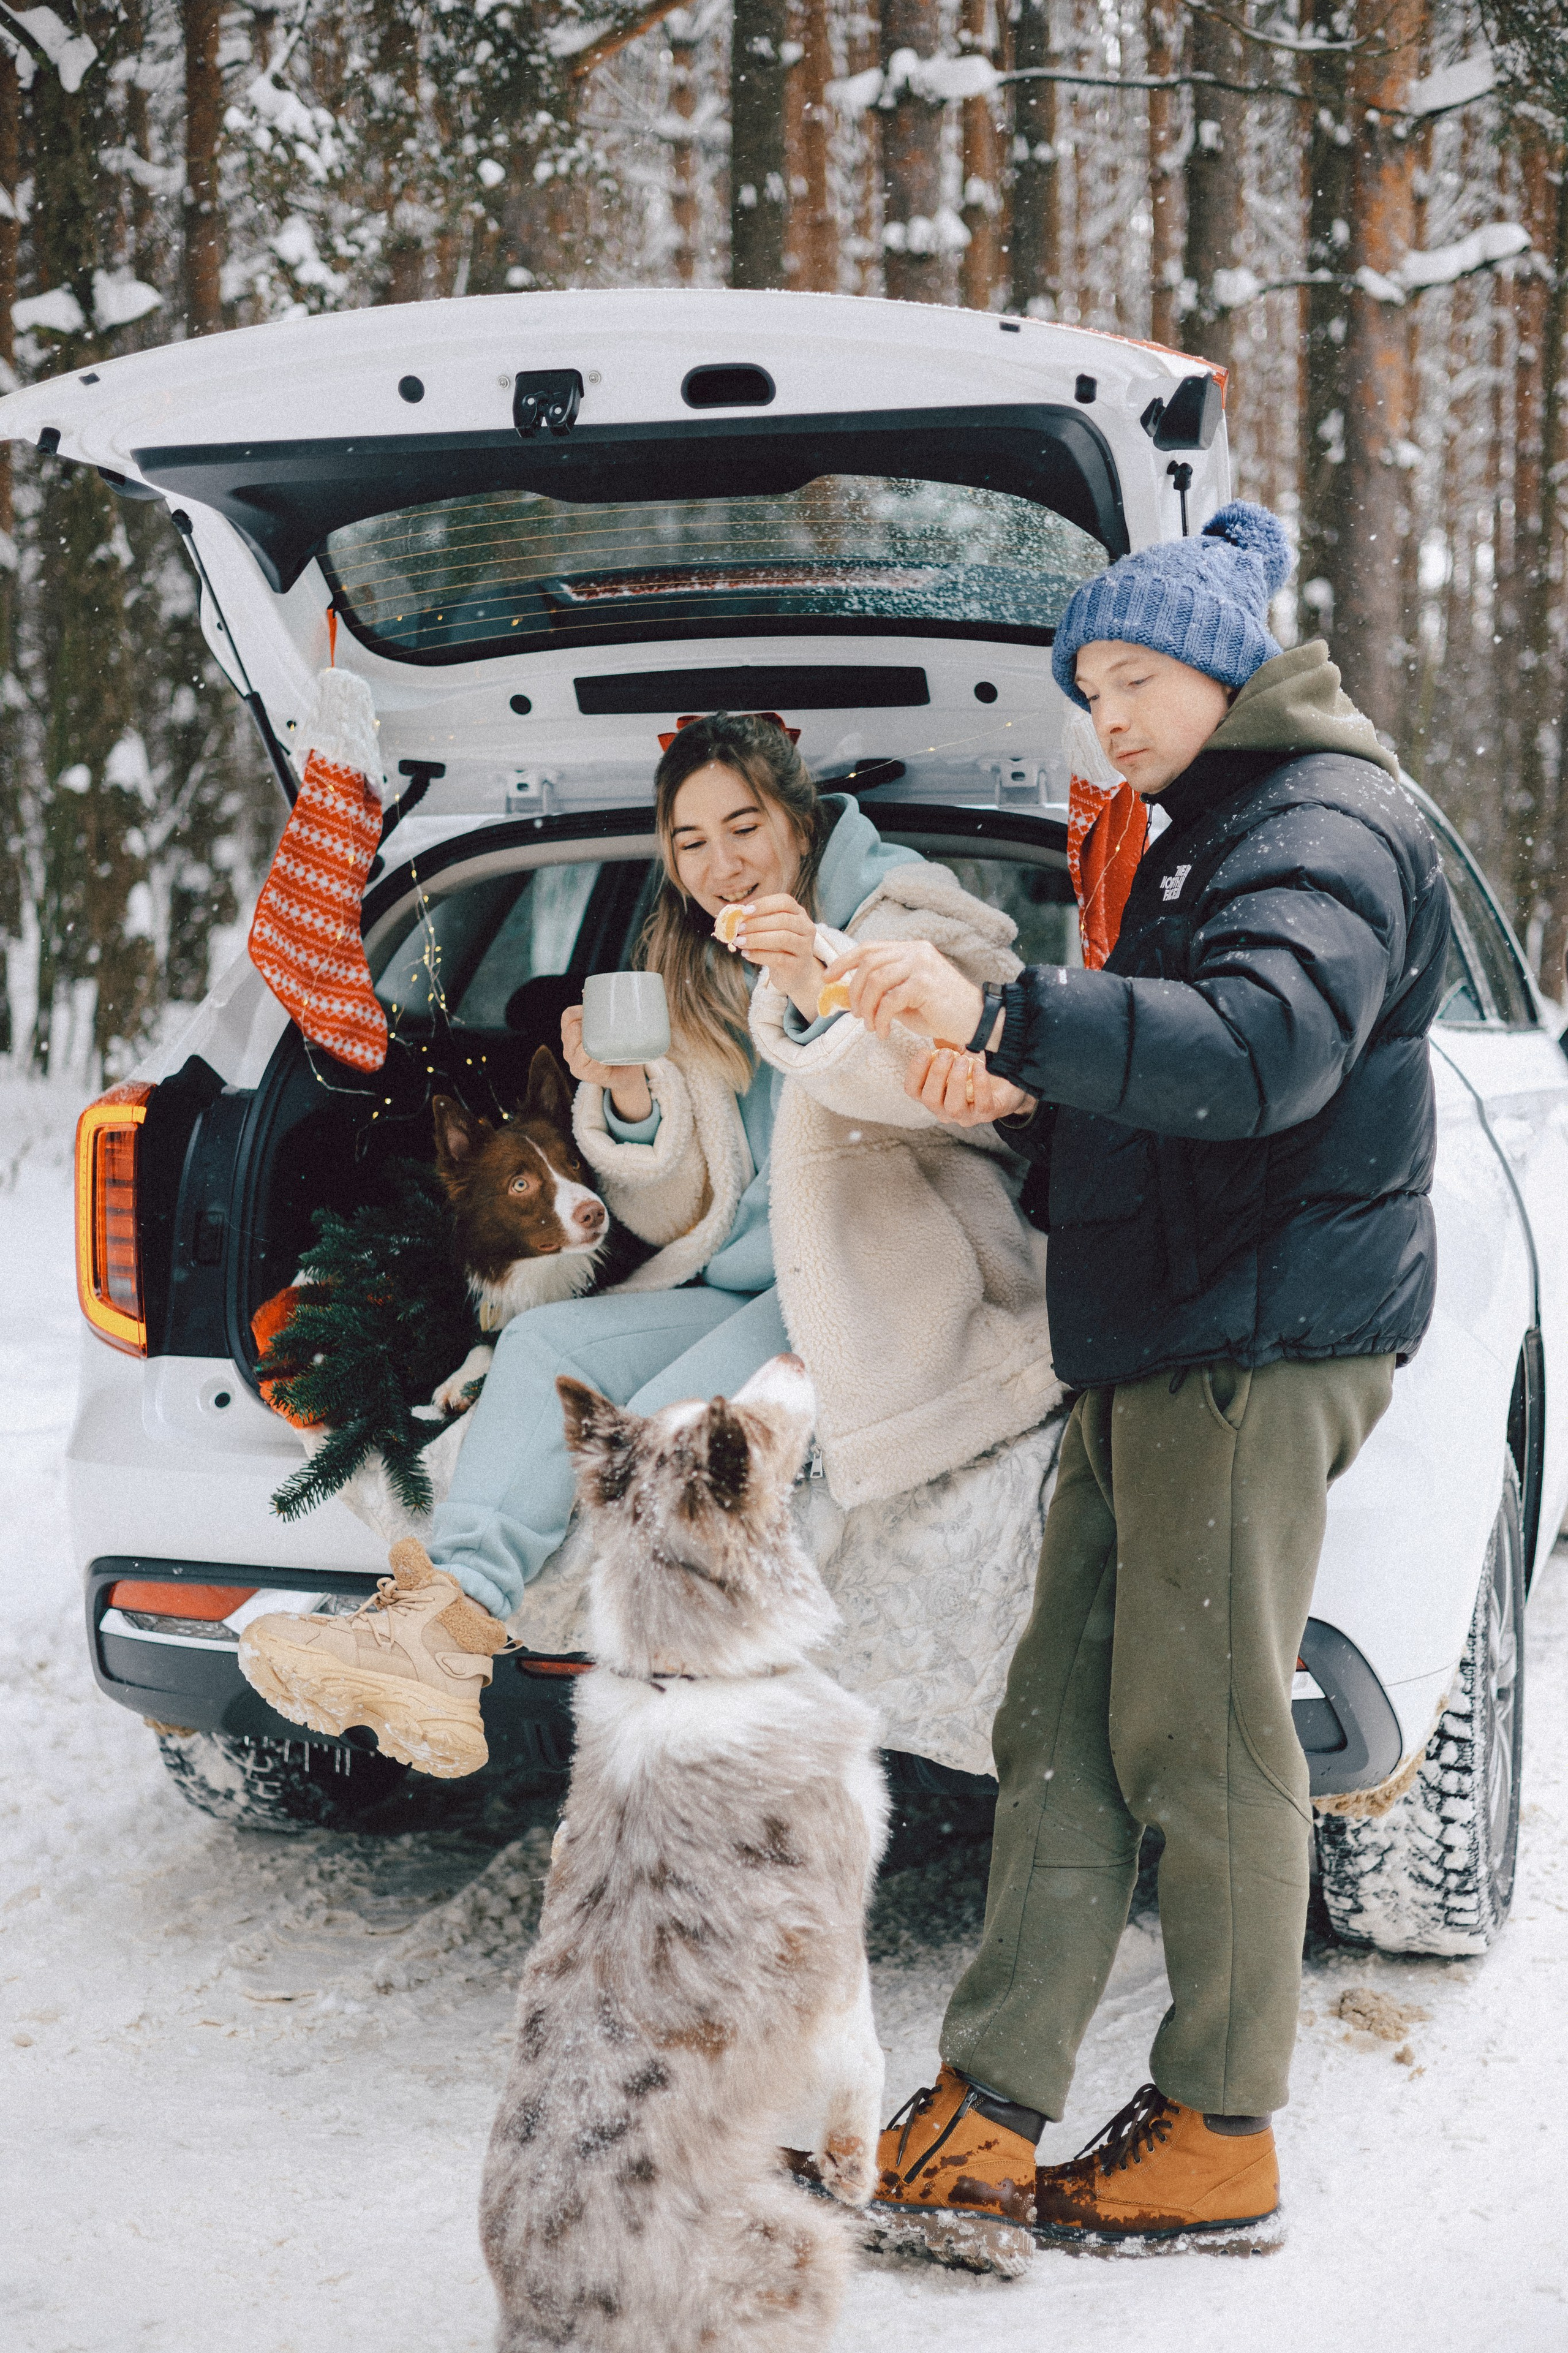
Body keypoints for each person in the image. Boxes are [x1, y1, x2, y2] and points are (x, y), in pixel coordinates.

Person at [826, 502, 1450, 2256]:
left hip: (1255, 1340)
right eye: (1088, 684)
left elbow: (1262, 1052)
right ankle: (991, 2107)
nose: (1105, 711)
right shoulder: (1205, 832)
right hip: (1166, 1326)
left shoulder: (1324, 814)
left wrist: (1013, 1009)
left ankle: (1218, 2127)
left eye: (1134, 671)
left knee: (1206, 1733)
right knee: (1064, 1728)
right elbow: (1171, 1108)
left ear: (1227, 659)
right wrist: (1022, 1106)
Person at [240, 712, 1057, 1778]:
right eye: (690, 842)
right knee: (544, 1354)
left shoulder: (906, 911)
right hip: (742, 1281)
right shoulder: (685, 958)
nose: (720, 864)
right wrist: (626, 1098)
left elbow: (966, 1102)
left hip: (883, 1277)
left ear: (799, 824)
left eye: (744, 827)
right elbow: (680, 1212)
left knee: (656, 1432)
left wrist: (824, 988)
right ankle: (438, 1639)